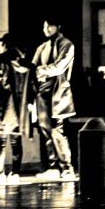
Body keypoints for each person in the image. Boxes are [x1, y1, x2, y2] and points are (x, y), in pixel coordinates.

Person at [31, 16, 76, 180]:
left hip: (57, 91)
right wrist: (39, 71)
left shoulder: (67, 45)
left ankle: (66, 167)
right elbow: (33, 66)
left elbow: (59, 67)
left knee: (57, 130)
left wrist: (40, 70)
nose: (46, 29)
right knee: (45, 130)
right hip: (42, 91)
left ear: (58, 26)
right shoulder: (42, 47)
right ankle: (53, 166)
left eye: (50, 26)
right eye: (44, 26)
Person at [0, 33, 30, 184]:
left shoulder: (1, 60)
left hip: (3, 105)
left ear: (6, 44)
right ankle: (15, 172)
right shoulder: (24, 62)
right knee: (16, 142)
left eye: (1, 43)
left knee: (1, 141)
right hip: (19, 108)